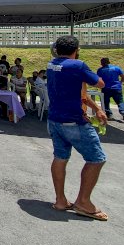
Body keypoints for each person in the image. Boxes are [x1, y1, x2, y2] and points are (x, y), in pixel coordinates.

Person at [47, 35, 109, 221]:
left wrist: (96, 108)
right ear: (77, 49)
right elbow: (100, 83)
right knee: (96, 159)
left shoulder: (52, 65)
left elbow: (81, 95)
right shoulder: (78, 66)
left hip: (55, 120)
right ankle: (83, 201)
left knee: (60, 157)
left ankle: (60, 200)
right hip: (74, 121)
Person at [97, 58, 124, 123]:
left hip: (106, 88)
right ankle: (122, 111)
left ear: (102, 63)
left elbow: (98, 80)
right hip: (117, 88)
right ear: (109, 62)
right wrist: (120, 83)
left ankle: (109, 114)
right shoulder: (116, 68)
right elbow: (123, 78)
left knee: (105, 102)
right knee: (120, 101)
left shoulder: (100, 70)